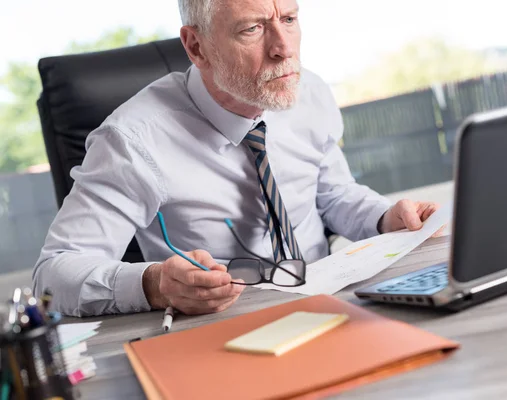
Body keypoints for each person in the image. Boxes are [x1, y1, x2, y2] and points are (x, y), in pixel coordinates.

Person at [33, 0, 443, 317]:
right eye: (253, 28)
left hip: (336, 298)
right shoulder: (133, 141)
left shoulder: (309, 91)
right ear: (197, 47)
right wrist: (154, 284)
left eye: (289, 19)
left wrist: (385, 217)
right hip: (226, 321)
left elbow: (332, 195)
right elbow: (52, 275)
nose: (283, 50)